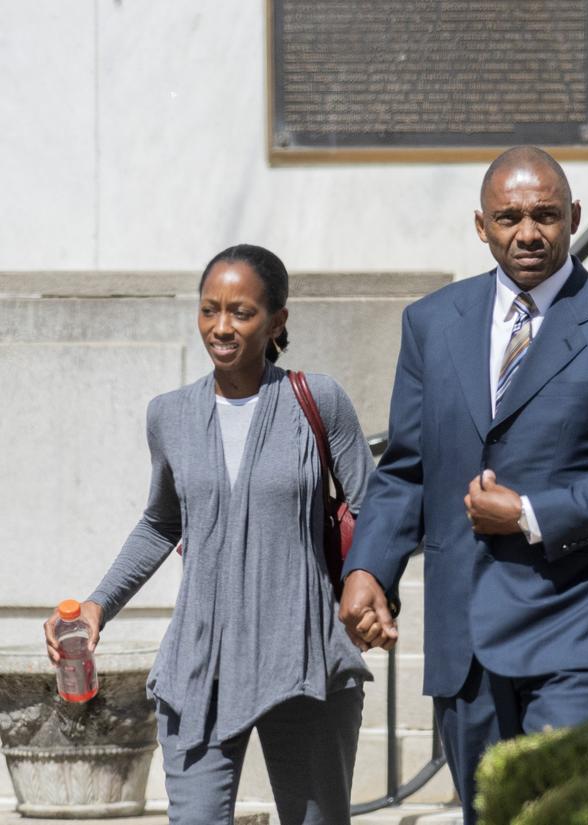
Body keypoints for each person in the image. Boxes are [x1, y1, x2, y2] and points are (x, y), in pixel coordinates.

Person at [339, 146, 588, 823]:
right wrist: (367, 567)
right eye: (509, 217)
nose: (528, 232)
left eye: (546, 215)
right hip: (463, 638)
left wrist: (530, 512)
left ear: (574, 217)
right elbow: (407, 467)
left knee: (564, 812)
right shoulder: (432, 324)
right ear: (481, 225)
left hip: (571, 628)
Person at [43, 244, 374, 824]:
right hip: (200, 663)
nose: (221, 327)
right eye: (208, 310)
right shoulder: (169, 414)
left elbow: (377, 513)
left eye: (241, 312)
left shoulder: (318, 401)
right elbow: (160, 523)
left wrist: (371, 592)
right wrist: (98, 606)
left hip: (302, 659)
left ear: (277, 320)